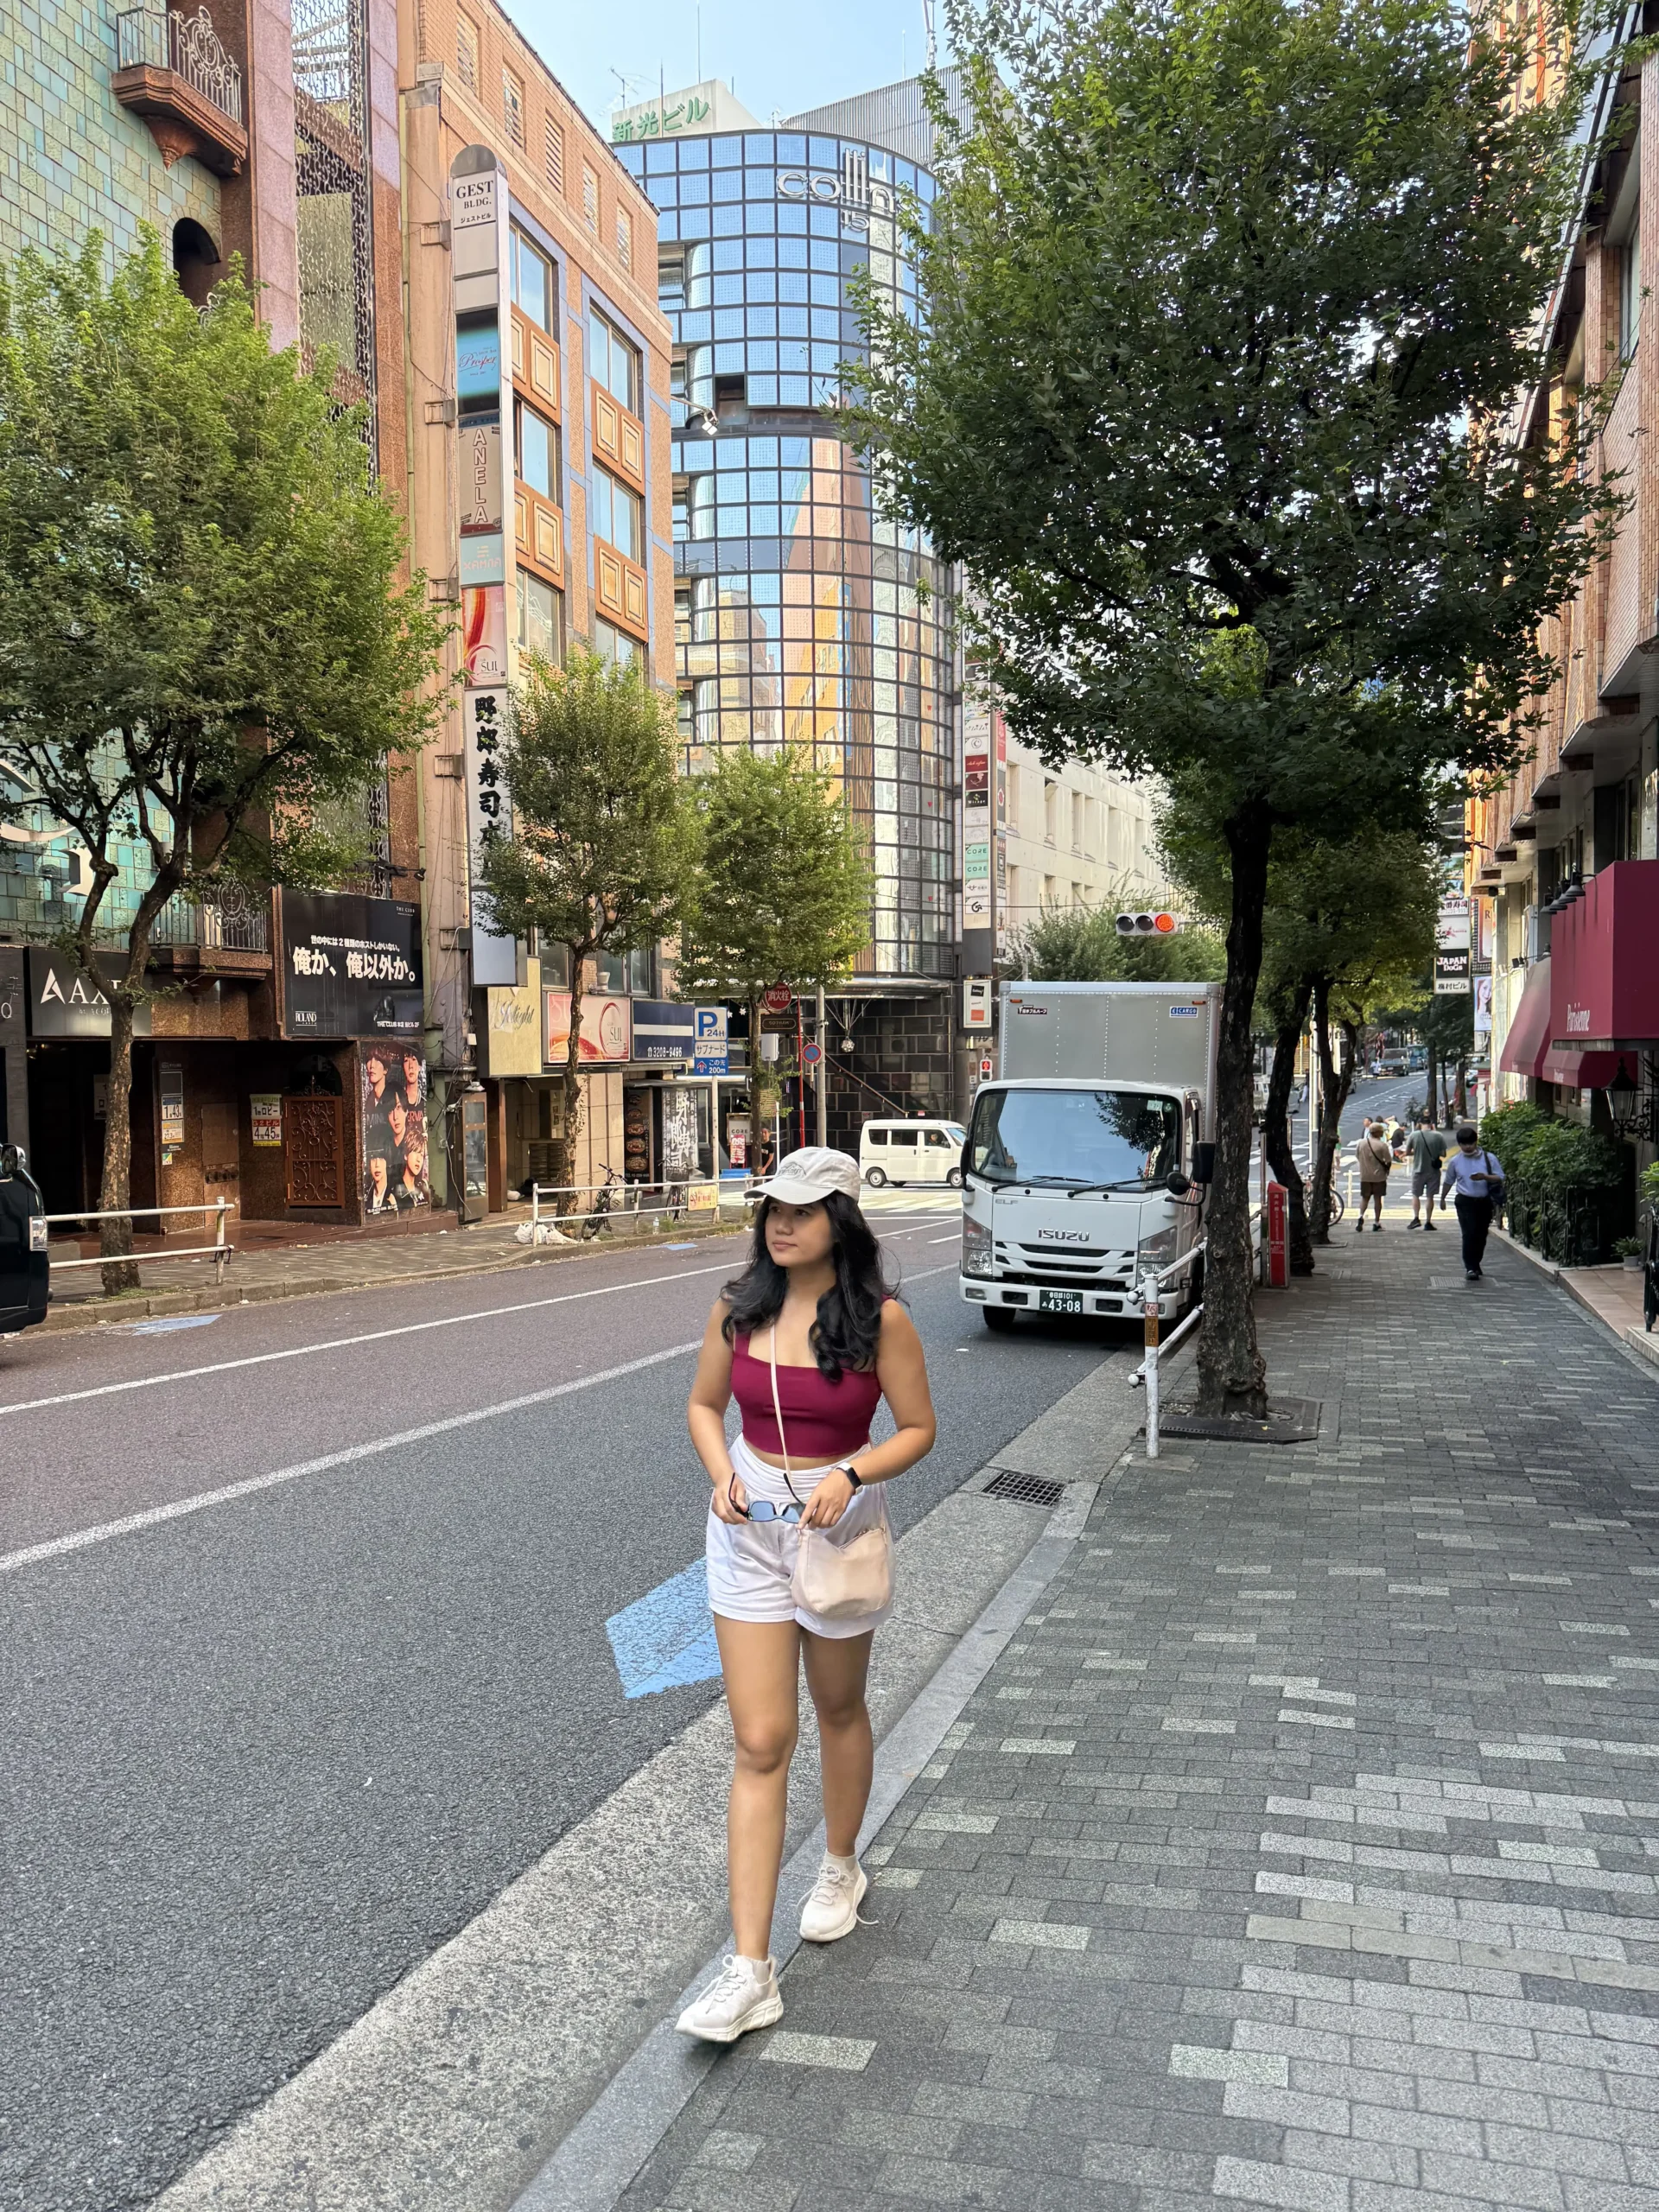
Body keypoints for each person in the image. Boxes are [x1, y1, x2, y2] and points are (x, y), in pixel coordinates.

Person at [681, 1147, 937, 2044]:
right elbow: (705, 1406)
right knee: (759, 1740)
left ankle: (839, 1866)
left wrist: (852, 1471)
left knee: (837, 1705)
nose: (780, 1224)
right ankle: (751, 1970)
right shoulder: (735, 1308)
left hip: (835, 1535)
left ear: (842, 1219)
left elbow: (918, 1428)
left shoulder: (882, 1320)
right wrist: (721, 1474)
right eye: (771, 1210)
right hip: (747, 1534)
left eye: (801, 1210)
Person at [1440, 1125, 1503, 1281]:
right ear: (1459, 1144)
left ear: (1476, 1142)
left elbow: (1500, 1177)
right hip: (1465, 1200)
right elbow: (1448, 1181)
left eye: (1470, 1143)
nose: (1467, 1147)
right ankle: (1470, 1267)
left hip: (1484, 1200)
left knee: (1481, 1234)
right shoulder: (1455, 1161)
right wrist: (1442, 1198)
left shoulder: (1489, 1158)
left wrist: (1485, 1177)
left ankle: (1476, 1263)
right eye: (1464, 1144)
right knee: (1468, 1233)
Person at [1406, 1116, 1448, 1230]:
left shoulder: (1414, 1135)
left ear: (1420, 1124)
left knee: (1415, 1194)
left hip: (1418, 1170)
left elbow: (1407, 1152)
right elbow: (1444, 1154)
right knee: (1430, 1197)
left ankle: (1416, 1218)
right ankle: (1428, 1222)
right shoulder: (1438, 1136)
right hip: (1433, 1171)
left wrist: (1417, 1152)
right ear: (1431, 1124)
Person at [1354, 1120, 1393, 1232]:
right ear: (1378, 1133)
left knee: (1365, 1198)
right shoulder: (1382, 1145)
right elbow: (1388, 1161)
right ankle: (1376, 1222)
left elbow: (1357, 1156)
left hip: (1365, 1175)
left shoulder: (1361, 1143)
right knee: (1377, 1199)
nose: (1383, 1134)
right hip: (1379, 1177)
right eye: (1382, 1132)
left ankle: (1361, 1216)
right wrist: (1387, 1170)